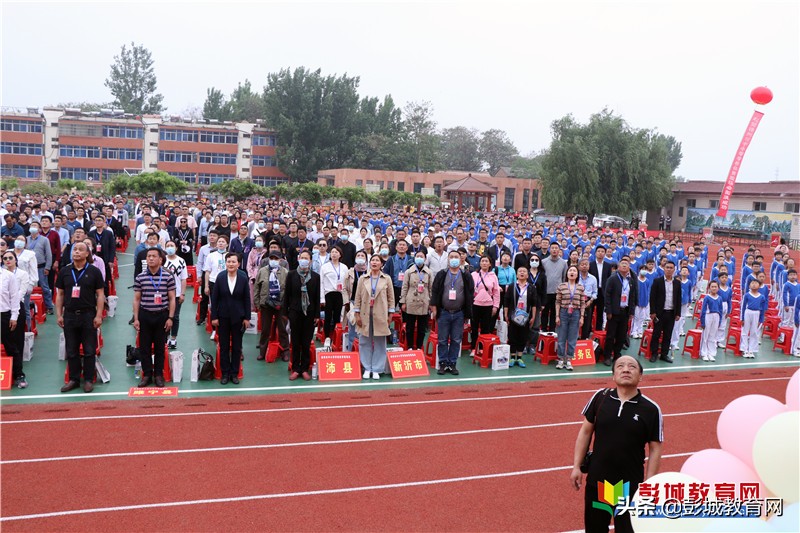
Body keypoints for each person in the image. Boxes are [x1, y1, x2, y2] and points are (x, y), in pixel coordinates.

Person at [570, 355, 663, 533]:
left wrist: (649, 485)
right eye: (620, 366)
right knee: (595, 529)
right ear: (613, 375)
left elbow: (655, 449)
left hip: (629, 486)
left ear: (640, 376)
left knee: (628, 530)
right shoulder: (600, 398)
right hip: (598, 482)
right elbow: (585, 432)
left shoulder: (651, 409)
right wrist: (576, 466)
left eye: (632, 367)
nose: (626, 369)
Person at [54, 242, 105, 393]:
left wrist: (99, 315)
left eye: (80, 250)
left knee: (89, 349)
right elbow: (60, 295)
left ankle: (88, 379)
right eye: (74, 249)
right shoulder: (65, 271)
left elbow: (100, 294)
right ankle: (74, 379)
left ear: (87, 253)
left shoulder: (94, 271)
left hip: (88, 315)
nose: (76, 252)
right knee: (71, 349)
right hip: (69, 315)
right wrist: (59, 314)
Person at [133, 247, 176, 387]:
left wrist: (170, 318)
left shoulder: (168, 277)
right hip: (145, 315)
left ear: (160, 260)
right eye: (148, 256)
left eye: (153, 256)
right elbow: (136, 299)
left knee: (159, 348)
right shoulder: (140, 277)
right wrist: (136, 318)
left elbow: (172, 299)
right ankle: (147, 375)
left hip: (162, 316)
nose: (150, 258)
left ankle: (158, 375)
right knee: (144, 347)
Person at [430, 250, 474, 375]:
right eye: (451, 257)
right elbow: (435, 291)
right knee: (442, 340)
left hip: (459, 313)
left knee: (456, 339)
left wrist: (467, 313)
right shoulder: (442, 274)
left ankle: (452, 363)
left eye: (456, 257)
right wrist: (434, 308)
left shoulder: (466, 275)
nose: (454, 259)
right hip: (444, 312)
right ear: (448, 259)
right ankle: (443, 363)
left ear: (461, 260)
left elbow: (470, 293)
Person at [211, 252, 251, 385]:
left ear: (238, 264)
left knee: (237, 347)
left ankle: (234, 373)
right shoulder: (221, 277)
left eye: (233, 262)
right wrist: (214, 317)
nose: (231, 264)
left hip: (238, 317)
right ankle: (225, 373)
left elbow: (246, 298)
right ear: (225, 263)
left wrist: (247, 317)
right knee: (224, 347)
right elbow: (215, 298)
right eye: (228, 261)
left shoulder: (243, 277)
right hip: (223, 317)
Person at [353, 254, 395, 379]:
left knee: (380, 342)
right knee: (364, 341)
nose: (374, 262)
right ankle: (367, 367)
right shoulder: (363, 278)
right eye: (372, 260)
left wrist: (390, 314)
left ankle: (377, 368)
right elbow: (357, 297)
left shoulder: (386, 279)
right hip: (365, 313)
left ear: (381, 264)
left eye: (377, 260)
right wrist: (357, 314)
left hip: (381, 314)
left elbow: (391, 298)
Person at [282, 250, 320, 380]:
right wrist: (285, 312)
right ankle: (296, 368)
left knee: (306, 342)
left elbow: (316, 297)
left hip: (309, 313)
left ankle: (304, 368)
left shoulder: (315, 277)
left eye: (306, 258)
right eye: (302, 257)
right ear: (298, 259)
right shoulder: (291, 275)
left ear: (310, 261)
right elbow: (287, 294)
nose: (304, 260)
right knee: (295, 341)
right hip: (294, 312)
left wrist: (316, 315)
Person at [254, 249, 290, 362]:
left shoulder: (285, 272)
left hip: (280, 305)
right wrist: (258, 303)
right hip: (266, 304)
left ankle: (285, 351)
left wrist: (286, 305)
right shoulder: (262, 271)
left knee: (282, 329)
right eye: (271, 258)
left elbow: (289, 290)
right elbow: (256, 288)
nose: (273, 260)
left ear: (280, 260)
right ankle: (262, 351)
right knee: (265, 330)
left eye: (276, 259)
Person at [604, 257, 637, 366]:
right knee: (610, 335)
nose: (624, 265)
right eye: (622, 264)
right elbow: (607, 295)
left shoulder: (631, 280)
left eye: (626, 264)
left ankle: (617, 354)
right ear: (618, 267)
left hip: (625, 311)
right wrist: (608, 311)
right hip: (613, 312)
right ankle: (607, 356)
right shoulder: (613, 278)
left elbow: (632, 297)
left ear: (629, 267)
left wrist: (631, 312)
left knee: (621, 335)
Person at [504, 265, 538, 367]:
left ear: (527, 275)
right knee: (512, 336)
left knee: (523, 337)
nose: (522, 273)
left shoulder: (531, 287)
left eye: (524, 271)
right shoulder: (512, 286)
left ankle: (519, 358)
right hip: (513, 316)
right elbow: (506, 301)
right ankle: (512, 358)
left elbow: (534, 304)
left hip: (525, 317)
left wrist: (533, 317)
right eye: (520, 271)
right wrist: (506, 314)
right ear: (517, 274)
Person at [400, 250, 433, 350]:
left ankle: (419, 346)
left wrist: (431, 303)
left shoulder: (429, 272)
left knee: (422, 328)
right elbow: (404, 287)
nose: (419, 258)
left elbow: (431, 288)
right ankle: (410, 346)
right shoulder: (409, 272)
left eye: (421, 256)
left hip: (424, 301)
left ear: (425, 258)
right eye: (417, 256)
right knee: (410, 326)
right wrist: (403, 302)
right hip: (411, 300)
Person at [649, 261, 681, 364]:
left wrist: (678, 313)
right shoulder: (657, 281)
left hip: (671, 313)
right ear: (664, 268)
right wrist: (652, 312)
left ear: (674, 270)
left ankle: (664, 354)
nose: (669, 269)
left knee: (668, 335)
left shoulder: (677, 283)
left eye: (671, 268)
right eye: (667, 267)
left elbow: (678, 299)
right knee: (656, 334)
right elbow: (652, 297)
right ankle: (654, 353)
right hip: (659, 313)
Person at [555, 265, 586, 371]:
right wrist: (557, 316)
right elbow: (557, 302)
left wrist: (582, 317)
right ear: (567, 273)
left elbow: (583, 303)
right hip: (563, 312)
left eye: (574, 271)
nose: (572, 272)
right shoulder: (561, 286)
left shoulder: (580, 287)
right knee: (561, 337)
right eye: (570, 271)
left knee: (572, 338)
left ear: (577, 274)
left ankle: (568, 360)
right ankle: (560, 359)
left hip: (576, 313)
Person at [0, 253, 24, 388]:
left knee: (11, 346)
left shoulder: (8, 276)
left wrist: (14, 316)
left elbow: (14, 297)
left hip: (4, 315)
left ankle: (19, 375)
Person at [470, 255, 500, 356]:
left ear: (490, 264)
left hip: (488, 305)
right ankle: (473, 348)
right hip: (475, 304)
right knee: (474, 328)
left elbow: (496, 292)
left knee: (485, 328)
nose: (484, 263)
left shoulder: (493, 276)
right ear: (479, 263)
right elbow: (470, 290)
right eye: (482, 261)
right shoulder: (474, 275)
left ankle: (482, 348)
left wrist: (495, 306)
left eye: (486, 261)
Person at [164, 241, 188, 349]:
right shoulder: (162, 260)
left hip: (177, 293)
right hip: (164, 293)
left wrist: (182, 293)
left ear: (176, 248)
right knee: (165, 316)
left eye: (172, 246)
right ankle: (165, 338)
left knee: (175, 316)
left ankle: (173, 338)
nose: (170, 247)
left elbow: (183, 279)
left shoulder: (181, 261)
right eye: (168, 246)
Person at [27, 221, 54, 314]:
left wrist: (47, 267)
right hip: (28, 267)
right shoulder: (26, 239)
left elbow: (49, 254)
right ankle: (28, 306)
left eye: (35, 226)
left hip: (41, 267)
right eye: (32, 225)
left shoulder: (44, 239)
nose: (33, 227)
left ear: (39, 229)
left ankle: (49, 306)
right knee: (27, 287)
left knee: (44, 287)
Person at [320, 245, 346, 338]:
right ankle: (327, 337)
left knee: (337, 316)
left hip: (339, 294)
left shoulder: (344, 267)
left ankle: (335, 337)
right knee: (327, 316)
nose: (334, 254)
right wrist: (322, 298)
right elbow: (321, 282)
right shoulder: (325, 267)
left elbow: (346, 282)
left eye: (336, 252)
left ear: (340, 255)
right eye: (332, 252)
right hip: (328, 293)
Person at [12, 235, 37, 330]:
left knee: (25, 308)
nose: (19, 241)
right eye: (18, 239)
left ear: (25, 243)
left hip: (24, 285)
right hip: (10, 284)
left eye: (22, 240)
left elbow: (33, 270)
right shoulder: (9, 252)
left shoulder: (30, 254)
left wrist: (31, 285)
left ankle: (28, 330)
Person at [541, 242, 567, 332]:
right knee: (544, 312)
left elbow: (564, 278)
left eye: (556, 248)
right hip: (546, 292)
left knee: (555, 313)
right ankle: (543, 330)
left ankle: (552, 331)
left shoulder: (563, 263)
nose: (554, 250)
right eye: (552, 248)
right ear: (549, 249)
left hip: (557, 293)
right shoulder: (543, 262)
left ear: (559, 250)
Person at [740, 278, 767, 358]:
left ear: (759, 286)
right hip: (748, 312)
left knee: (754, 332)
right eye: (752, 283)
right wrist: (742, 318)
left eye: (756, 283)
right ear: (749, 285)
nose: (754, 284)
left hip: (756, 313)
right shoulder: (747, 295)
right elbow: (743, 307)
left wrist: (761, 319)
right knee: (745, 331)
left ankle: (751, 350)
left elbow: (762, 309)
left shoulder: (762, 297)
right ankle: (744, 349)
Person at [698, 280, 723, 362]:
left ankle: (711, 353)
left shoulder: (720, 298)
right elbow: (703, 310)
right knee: (705, 335)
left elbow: (720, 310)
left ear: (718, 288)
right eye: (712, 287)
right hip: (708, 316)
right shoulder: (707, 297)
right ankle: (704, 353)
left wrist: (719, 321)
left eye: (715, 287)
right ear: (709, 288)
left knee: (713, 335)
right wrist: (702, 322)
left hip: (716, 317)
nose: (714, 288)